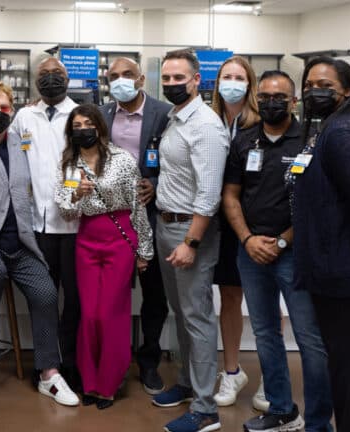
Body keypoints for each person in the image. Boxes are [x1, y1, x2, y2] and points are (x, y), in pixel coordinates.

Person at [0, 81, 80, 407]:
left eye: (4, 108)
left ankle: (49, 374)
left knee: (47, 292)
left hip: (19, 240)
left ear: (13, 111)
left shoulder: (21, 142)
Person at [223, 70, 333, 432]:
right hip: (250, 252)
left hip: (296, 254)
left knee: (308, 339)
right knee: (266, 332)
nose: (272, 102)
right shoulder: (245, 141)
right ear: (257, 99)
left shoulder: (311, 141)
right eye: (266, 96)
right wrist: (247, 239)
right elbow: (231, 195)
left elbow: (317, 204)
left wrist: (283, 240)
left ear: (293, 101)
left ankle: (318, 422)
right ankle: (282, 410)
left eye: (280, 97)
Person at [150, 49, 229, 432]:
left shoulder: (206, 125)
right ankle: (186, 384)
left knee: (197, 317)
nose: (172, 85)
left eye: (179, 78)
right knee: (180, 311)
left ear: (197, 80)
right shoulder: (175, 118)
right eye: (166, 79)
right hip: (168, 225)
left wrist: (191, 242)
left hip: (189, 231)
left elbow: (209, 194)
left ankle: (205, 409)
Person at [54, 103, 153, 409]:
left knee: (110, 313)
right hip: (86, 241)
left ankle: (110, 383)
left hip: (119, 239)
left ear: (99, 126)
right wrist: (76, 194)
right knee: (89, 313)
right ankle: (90, 381)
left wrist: (144, 250)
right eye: (76, 125)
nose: (82, 129)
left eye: (88, 123)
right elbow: (66, 211)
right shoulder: (69, 165)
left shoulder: (122, 160)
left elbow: (138, 206)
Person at [99, 57, 172, 395]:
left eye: (127, 75)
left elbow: (177, 161)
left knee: (154, 293)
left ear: (141, 79)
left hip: (150, 215)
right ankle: (112, 358)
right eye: (113, 76)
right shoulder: (102, 115)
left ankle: (148, 360)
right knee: (111, 293)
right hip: (110, 219)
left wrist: (155, 182)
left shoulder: (164, 114)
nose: (120, 81)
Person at [8, 57, 80, 388]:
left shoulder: (79, 115)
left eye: (58, 75)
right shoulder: (24, 116)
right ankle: (47, 364)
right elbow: (12, 159)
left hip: (77, 225)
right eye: (44, 75)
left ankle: (72, 361)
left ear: (68, 79)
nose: (51, 79)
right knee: (45, 296)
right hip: (38, 226)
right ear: (35, 80)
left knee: (75, 299)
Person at [291, 57, 350, 432]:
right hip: (330, 268)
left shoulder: (341, 133)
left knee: (346, 369)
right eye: (310, 84)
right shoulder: (325, 128)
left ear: (346, 91)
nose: (315, 91)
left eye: (326, 86)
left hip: (341, 273)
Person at [209, 56, 262, 409]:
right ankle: (230, 372)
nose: (232, 82)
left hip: (254, 224)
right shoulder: (209, 120)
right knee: (229, 298)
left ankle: (271, 378)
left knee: (261, 301)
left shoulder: (261, 123)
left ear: (250, 83)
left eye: (238, 77)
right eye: (226, 76)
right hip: (215, 224)